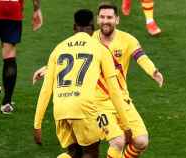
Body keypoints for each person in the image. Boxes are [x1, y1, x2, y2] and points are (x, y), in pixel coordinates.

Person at [33, 2, 164, 158]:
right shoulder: (92, 40)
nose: (105, 21)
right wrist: (48, 69)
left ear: (117, 20)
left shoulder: (127, 40)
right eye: (102, 17)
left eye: (109, 17)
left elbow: (140, 57)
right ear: (96, 21)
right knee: (117, 142)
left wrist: (153, 71)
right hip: (97, 104)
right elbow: (74, 60)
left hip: (122, 100)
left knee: (141, 141)